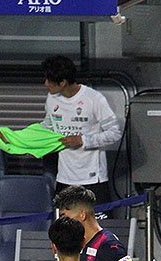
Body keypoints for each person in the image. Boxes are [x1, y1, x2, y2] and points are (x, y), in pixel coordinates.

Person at [41, 55, 121, 205]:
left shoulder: (94, 99)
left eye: (48, 80)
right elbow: (47, 127)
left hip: (93, 178)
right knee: (63, 220)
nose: (45, 84)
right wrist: (15, 138)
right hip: (64, 177)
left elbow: (115, 133)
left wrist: (83, 141)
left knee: (96, 220)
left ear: (62, 82)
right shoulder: (51, 99)